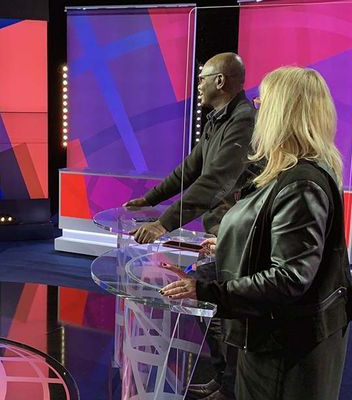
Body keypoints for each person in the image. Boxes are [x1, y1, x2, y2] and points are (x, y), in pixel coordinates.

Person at [160, 67, 352, 400]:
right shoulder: (294, 172)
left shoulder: (302, 182)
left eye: (262, 102)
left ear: (282, 113)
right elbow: (277, 238)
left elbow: (290, 278)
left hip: (283, 348)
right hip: (277, 338)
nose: (256, 109)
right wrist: (230, 244)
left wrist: (206, 291)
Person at [125, 52, 256, 400]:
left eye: (203, 78)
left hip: (237, 237)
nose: (197, 84)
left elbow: (214, 180)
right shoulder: (217, 120)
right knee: (208, 309)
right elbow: (190, 169)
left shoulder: (244, 120)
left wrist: (163, 225)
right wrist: (151, 199)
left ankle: (230, 387)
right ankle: (222, 379)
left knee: (221, 311)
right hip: (219, 234)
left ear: (220, 81)